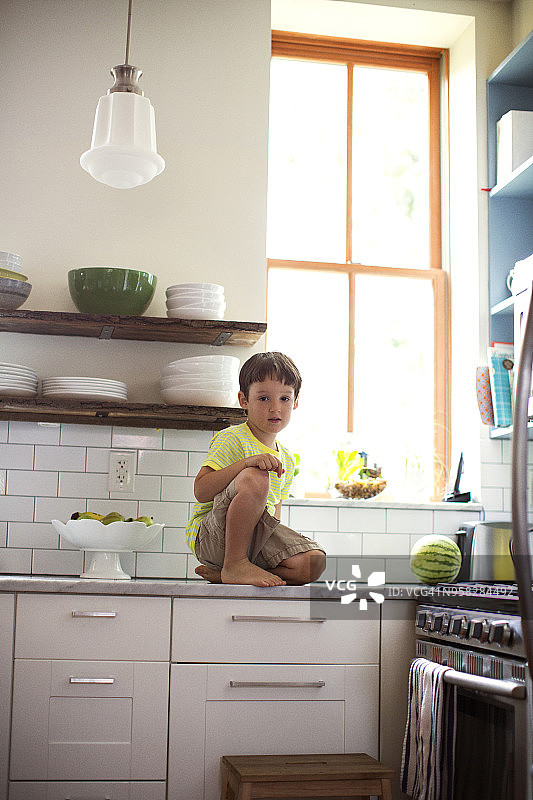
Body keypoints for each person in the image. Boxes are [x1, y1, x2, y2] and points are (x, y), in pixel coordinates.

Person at [186, 351, 326, 587]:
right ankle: (234, 564)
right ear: (244, 401)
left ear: (296, 402)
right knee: (256, 476)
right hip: (212, 537)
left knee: (314, 563)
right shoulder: (233, 438)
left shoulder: (288, 459)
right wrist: (246, 464)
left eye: (284, 399)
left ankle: (228, 572)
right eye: (263, 399)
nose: (275, 408)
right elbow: (201, 491)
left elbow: (274, 517)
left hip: (254, 540)